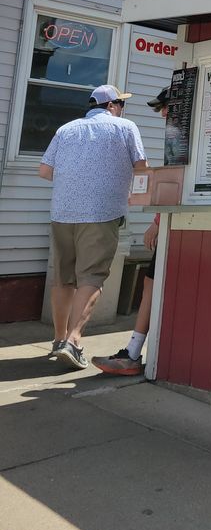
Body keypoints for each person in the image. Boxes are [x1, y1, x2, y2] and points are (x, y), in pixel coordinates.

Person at [39, 84, 147, 371]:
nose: (123, 109)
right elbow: (142, 167)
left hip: (62, 212)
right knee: (92, 277)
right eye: (121, 104)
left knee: (63, 279)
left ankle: (59, 339)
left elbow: (44, 171)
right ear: (111, 106)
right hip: (101, 213)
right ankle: (73, 342)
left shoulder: (65, 129)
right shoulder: (125, 127)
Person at [92, 87, 168, 376]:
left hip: (182, 231)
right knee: (151, 283)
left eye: (166, 106)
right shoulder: (181, 136)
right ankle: (133, 352)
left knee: (153, 284)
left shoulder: (192, 136)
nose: (163, 113)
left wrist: (158, 222)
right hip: (172, 226)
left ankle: (134, 353)